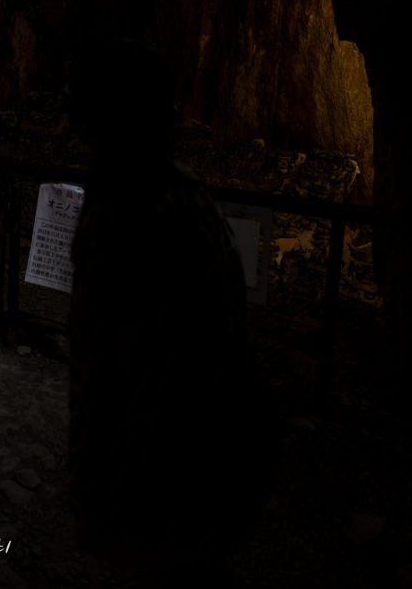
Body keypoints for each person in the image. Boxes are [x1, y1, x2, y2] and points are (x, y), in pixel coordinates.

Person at [68, 37, 277, 586]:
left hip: (158, 467)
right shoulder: (188, 197)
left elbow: (105, 356)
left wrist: (94, 480)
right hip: (203, 459)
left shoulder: (122, 209)